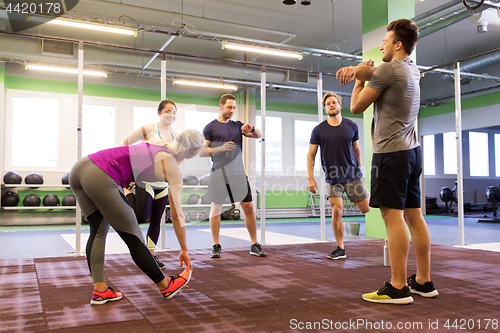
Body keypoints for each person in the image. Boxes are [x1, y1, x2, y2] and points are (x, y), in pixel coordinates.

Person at [336, 18, 438, 304]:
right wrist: (364, 71)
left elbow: (356, 106)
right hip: (412, 152)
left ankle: (396, 287)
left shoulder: (389, 69)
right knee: (414, 215)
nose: (380, 45)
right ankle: (423, 281)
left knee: (392, 216)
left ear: (398, 45)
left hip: (391, 154)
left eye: (385, 40)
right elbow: (374, 71)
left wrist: (358, 76)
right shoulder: (412, 70)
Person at [69, 129, 204, 305]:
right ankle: (165, 285)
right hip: (101, 174)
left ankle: (101, 290)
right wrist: (184, 250)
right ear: (195, 152)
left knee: (98, 229)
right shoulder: (173, 169)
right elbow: (177, 215)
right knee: (134, 237)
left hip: (79, 169)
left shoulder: (161, 146)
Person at [199, 94, 266, 258]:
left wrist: (251, 129)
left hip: (238, 174)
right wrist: (220, 149)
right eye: (229, 107)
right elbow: (202, 151)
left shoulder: (238, 126)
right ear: (221, 106)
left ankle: (254, 244)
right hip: (219, 173)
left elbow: (258, 135)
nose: (232, 110)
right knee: (216, 208)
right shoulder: (210, 127)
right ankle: (216, 245)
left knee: (248, 207)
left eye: (234, 107)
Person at [307, 92, 370, 260]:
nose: (331, 105)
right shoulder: (318, 130)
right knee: (336, 211)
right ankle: (340, 247)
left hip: (353, 175)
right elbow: (311, 155)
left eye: (334, 102)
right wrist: (310, 178)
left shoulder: (351, 126)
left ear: (340, 105)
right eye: (328, 104)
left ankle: (355, 198)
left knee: (365, 208)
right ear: (325, 108)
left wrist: (359, 162)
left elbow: (356, 147)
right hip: (333, 177)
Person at [123, 99, 178, 270]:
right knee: (141, 218)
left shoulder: (175, 136)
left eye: (175, 112)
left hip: (162, 184)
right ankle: (127, 191)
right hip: (144, 179)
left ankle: (151, 255)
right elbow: (126, 144)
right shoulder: (148, 129)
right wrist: (132, 169)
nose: (172, 115)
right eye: (168, 111)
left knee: (156, 221)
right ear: (159, 112)